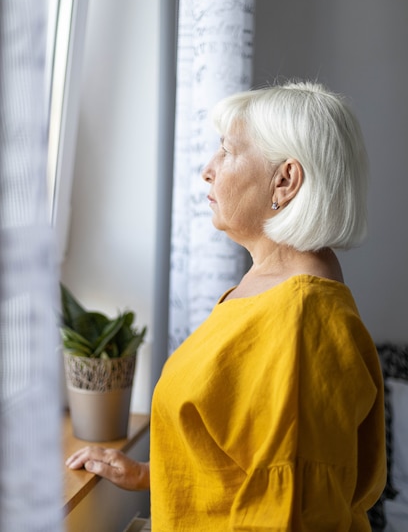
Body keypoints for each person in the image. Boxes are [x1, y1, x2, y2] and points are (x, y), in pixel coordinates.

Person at [66, 81, 386, 530]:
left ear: (286, 179)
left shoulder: (302, 321)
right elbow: (239, 453)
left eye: (228, 151)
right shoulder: (268, 286)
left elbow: (292, 509)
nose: (208, 170)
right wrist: (145, 475)